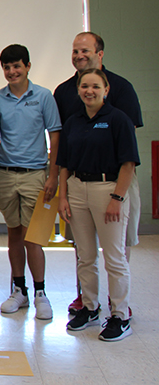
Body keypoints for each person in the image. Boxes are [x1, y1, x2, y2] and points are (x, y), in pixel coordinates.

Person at [53, 32, 143, 315]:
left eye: (85, 50)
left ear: (100, 54)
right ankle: (88, 303)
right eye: (75, 50)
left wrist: (118, 194)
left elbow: (128, 153)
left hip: (114, 182)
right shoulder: (65, 95)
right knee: (85, 253)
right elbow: (63, 152)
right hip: (78, 184)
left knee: (117, 250)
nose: (79, 55)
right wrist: (62, 192)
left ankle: (120, 308)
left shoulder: (121, 94)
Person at [0, 44, 62, 320]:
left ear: (28, 66)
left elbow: (55, 138)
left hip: (35, 174)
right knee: (14, 235)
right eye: (7, 68)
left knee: (34, 238)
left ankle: (40, 293)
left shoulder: (43, 97)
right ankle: (18, 290)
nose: (12, 72)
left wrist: (53, 175)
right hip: (6, 176)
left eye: (16, 66)